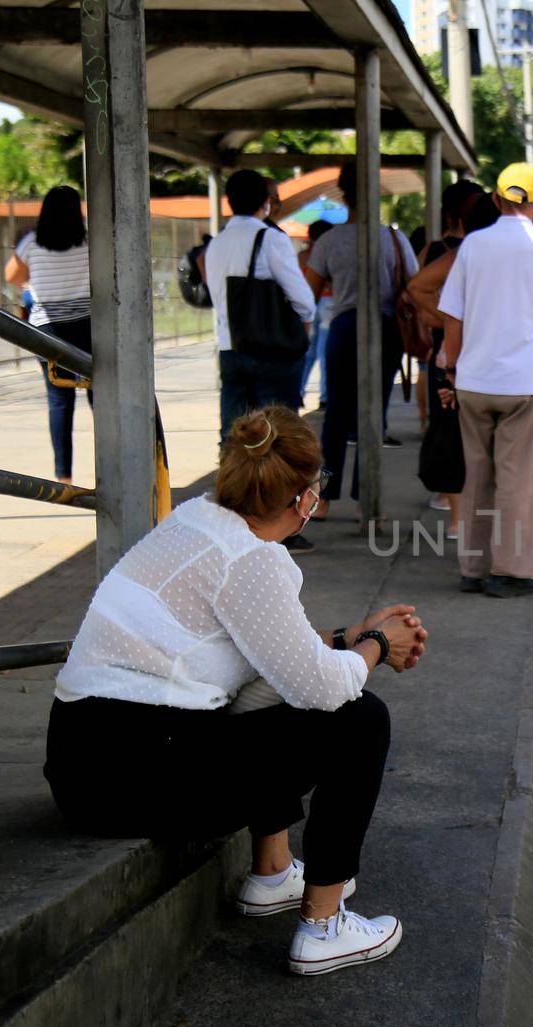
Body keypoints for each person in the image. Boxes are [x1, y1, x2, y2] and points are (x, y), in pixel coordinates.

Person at [45, 406, 427, 977]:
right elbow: (326, 688)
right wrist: (376, 640)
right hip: (135, 770)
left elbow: (268, 657)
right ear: (303, 499)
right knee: (359, 718)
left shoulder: (197, 520)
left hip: (87, 760)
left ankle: (273, 873)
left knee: (272, 692)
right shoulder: (251, 561)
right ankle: (324, 928)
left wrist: (351, 637)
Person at [437, 163, 533, 597]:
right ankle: (513, 571)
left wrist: (452, 368)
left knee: (477, 473)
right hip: (524, 383)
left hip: (475, 380)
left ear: (496, 200)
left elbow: (452, 314)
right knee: (518, 478)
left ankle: (473, 569)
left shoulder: (473, 246)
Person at [202, 170, 318, 552]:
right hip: (271, 353)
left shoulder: (215, 245)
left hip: (230, 351)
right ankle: (282, 522)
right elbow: (303, 299)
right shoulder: (270, 238)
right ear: (265, 202)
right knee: (280, 441)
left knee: (234, 440)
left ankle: (230, 522)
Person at [301, 161, 420, 516]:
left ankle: (322, 500)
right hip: (386, 329)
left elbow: (311, 290)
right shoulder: (394, 239)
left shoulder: (329, 240)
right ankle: (365, 498)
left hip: (343, 327)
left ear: (344, 193)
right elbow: (413, 285)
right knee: (375, 412)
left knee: (336, 414)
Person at [408, 186, 495, 536]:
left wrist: (445, 320)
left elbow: (416, 287)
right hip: (477, 359)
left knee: (454, 438)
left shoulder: (457, 252)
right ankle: (473, 523)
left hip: (452, 355)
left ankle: (460, 518)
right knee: (484, 446)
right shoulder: (480, 253)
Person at [5, 187, 93, 485]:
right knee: (101, 398)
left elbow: (11, 277)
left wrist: (36, 273)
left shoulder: (31, 242)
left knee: (59, 400)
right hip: (86, 329)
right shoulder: (89, 239)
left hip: (48, 331)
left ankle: (63, 478)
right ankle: (109, 467)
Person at [298, 219, 335, 410]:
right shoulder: (329, 254)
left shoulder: (302, 257)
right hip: (329, 302)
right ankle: (325, 396)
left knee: (307, 352)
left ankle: (298, 392)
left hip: (307, 305)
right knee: (324, 353)